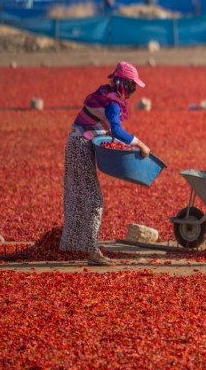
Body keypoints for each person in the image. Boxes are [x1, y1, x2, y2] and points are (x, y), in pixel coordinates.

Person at [59, 61, 151, 266]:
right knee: (93, 200)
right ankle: (91, 250)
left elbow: (103, 127)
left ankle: (73, 246)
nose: (134, 90)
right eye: (132, 85)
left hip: (75, 143)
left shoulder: (105, 93)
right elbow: (116, 130)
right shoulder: (112, 102)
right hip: (81, 146)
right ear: (124, 84)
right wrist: (140, 144)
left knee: (77, 195)